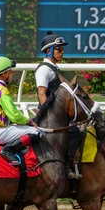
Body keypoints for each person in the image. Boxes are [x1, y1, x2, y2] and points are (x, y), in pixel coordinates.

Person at [35, 32, 83, 180]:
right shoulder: (44, 69)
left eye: (62, 49)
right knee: (75, 132)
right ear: (49, 51)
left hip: (59, 113)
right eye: (59, 49)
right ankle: (66, 167)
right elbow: (42, 93)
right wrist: (50, 115)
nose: (62, 52)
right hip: (50, 115)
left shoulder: (54, 68)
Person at [0, 57, 42, 165]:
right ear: (4, 75)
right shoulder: (2, 90)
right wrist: (29, 121)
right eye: (11, 73)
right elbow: (14, 115)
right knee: (36, 132)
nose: (12, 76)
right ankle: (8, 150)